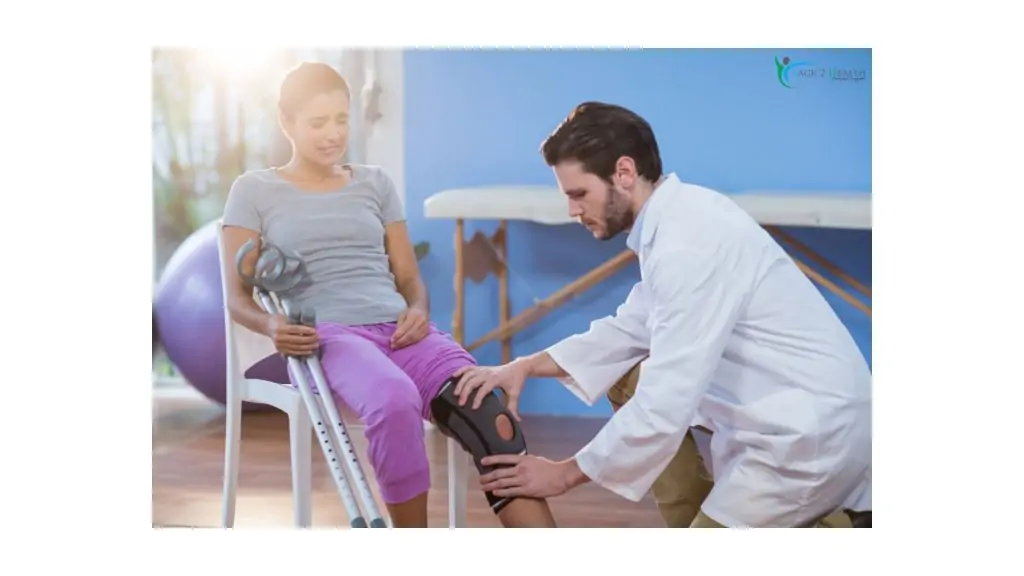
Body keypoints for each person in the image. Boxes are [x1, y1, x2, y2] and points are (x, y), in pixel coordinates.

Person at [452, 101, 872, 528]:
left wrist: (561, 475)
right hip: (801, 414)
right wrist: (525, 366)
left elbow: (666, 402)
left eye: (579, 194)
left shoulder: (687, 245)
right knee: (624, 371)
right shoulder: (679, 216)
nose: (572, 211)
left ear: (624, 173)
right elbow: (629, 328)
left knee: (652, 391)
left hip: (808, 442)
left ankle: (833, 526)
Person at [219, 61, 557, 529]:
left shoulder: (374, 182)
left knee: (489, 416)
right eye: (318, 123)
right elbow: (236, 297)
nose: (333, 133)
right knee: (394, 397)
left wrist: (418, 310)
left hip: (397, 329)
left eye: (342, 119)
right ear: (286, 122)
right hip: (327, 337)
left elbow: (409, 279)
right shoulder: (253, 190)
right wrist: (272, 326)